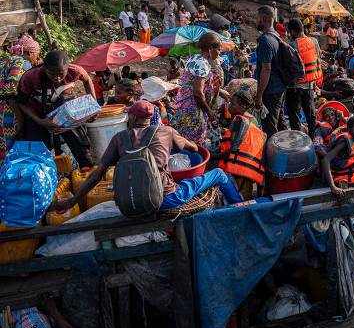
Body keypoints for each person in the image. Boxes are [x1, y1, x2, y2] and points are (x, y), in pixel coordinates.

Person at [57, 101, 243, 212]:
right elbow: (193, 148)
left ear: (133, 118)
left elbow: (97, 174)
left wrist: (73, 200)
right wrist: (189, 147)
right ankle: (243, 208)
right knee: (219, 174)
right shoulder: (166, 132)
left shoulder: (119, 138)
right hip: (166, 199)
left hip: (130, 201)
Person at [17, 51, 96, 167]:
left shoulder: (74, 71)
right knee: (39, 153)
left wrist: (92, 104)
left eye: (61, 73)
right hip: (38, 115)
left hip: (65, 113)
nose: (57, 78)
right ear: (44, 69)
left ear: (67, 68)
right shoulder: (31, 77)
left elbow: (87, 80)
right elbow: (22, 103)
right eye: (52, 74)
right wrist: (41, 122)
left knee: (81, 148)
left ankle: (87, 172)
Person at [169, 33, 223, 143]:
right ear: (210, 48)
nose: (219, 53)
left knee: (183, 138)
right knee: (194, 142)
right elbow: (198, 92)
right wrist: (209, 111)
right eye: (218, 49)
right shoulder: (203, 64)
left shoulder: (193, 58)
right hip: (194, 109)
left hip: (184, 105)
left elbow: (191, 81)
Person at [214, 91, 267, 198]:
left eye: (232, 104)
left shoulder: (240, 122)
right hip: (248, 170)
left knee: (240, 200)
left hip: (240, 173)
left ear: (243, 106)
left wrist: (212, 156)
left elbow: (233, 150)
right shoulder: (252, 119)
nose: (229, 106)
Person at [0, 35, 42, 158]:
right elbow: (10, 92)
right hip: (9, 113)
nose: (37, 58)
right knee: (12, 150)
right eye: (36, 54)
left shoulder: (5, 62)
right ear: (29, 52)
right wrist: (21, 121)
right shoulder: (22, 64)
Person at [253, 6, 286, 139]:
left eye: (257, 18)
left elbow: (266, 69)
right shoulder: (276, 36)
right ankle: (287, 151)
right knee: (280, 123)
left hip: (271, 90)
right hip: (279, 88)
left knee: (270, 127)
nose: (256, 21)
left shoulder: (266, 40)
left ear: (265, 19)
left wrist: (259, 95)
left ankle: (273, 157)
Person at [286, 19, 321, 133]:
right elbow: (318, 59)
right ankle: (313, 139)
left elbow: (289, 68)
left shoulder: (292, 45)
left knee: (294, 116)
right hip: (310, 85)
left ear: (292, 31)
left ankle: (298, 140)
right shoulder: (314, 41)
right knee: (311, 115)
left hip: (295, 88)